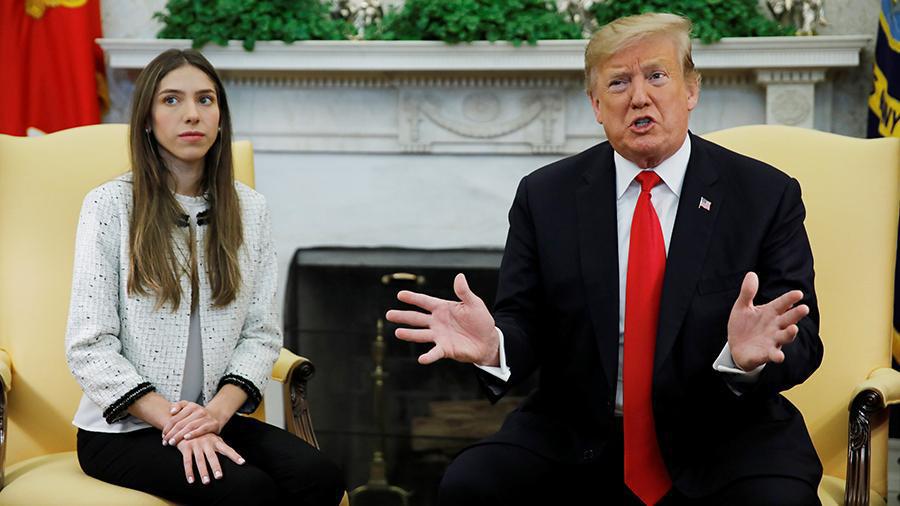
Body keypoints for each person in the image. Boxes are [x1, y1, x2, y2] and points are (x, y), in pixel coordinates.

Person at [386, 13, 823, 505]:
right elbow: (522, 320)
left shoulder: (765, 195)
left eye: (657, 76)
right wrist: (495, 348)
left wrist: (745, 360)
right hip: (579, 433)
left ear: (691, 90)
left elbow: (804, 339)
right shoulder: (545, 196)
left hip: (725, 434)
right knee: (471, 484)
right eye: (618, 82)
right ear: (596, 104)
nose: (639, 97)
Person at [65, 49, 345, 505]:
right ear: (147, 119)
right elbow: (89, 346)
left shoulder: (250, 209)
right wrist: (176, 423)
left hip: (215, 415)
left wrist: (213, 416)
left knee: (321, 477)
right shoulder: (109, 205)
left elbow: (260, 335)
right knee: (247, 490)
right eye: (171, 100)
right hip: (123, 430)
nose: (192, 114)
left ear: (220, 117)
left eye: (205, 99)